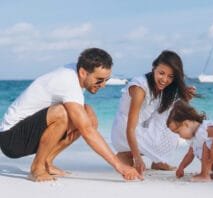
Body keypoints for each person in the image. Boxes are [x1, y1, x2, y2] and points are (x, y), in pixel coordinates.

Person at [0, 48, 142, 182]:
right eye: (99, 80)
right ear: (82, 73)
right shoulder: (68, 82)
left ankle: (47, 161)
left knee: (89, 115)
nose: (103, 85)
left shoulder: (78, 72)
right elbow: (87, 131)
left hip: (28, 133)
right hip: (11, 139)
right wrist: (119, 166)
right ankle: (37, 168)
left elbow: (87, 125)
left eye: (106, 80)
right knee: (63, 113)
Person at [111, 50, 194, 176]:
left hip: (141, 127)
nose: (165, 79)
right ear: (153, 68)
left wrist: (186, 98)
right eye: (161, 73)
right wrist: (138, 158)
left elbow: (164, 113)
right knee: (129, 163)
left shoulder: (165, 88)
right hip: (125, 130)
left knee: (175, 119)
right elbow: (130, 127)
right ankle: (125, 153)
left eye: (170, 76)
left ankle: (157, 161)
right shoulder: (139, 88)